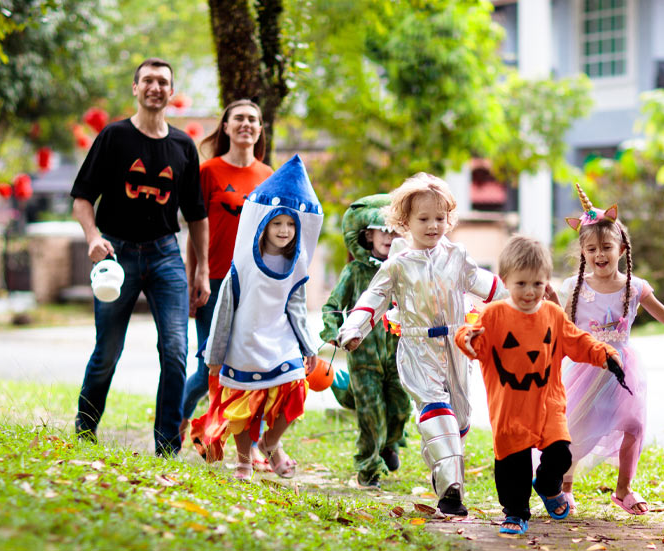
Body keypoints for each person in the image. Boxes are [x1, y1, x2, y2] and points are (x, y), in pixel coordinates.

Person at [338, 173, 507, 517]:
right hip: (416, 348)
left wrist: (523, 296)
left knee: (459, 419)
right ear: (404, 221)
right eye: (424, 218)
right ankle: (451, 492)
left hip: (458, 346)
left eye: (440, 218)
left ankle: (443, 465)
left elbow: (487, 285)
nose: (433, 225)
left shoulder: (458, 256)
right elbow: (375, 298)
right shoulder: (397, 265)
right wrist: (354, 329)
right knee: (436, 410)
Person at [70, 58, 209, 457]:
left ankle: (167, 445)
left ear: (171, 91)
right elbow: (82, 199)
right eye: (148, 80)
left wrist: (200, 271)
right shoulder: (114, 137)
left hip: (166, 255)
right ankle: (85, 428)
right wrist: (93, 237)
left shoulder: (183, 146)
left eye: (163, 81)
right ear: (135, 88)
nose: (155, 87)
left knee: (175, 350)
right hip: (117, 252)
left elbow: (197, 215)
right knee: (108, 349)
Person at [455, 235, 627, 535]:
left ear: (546, 282)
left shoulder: (552, 315)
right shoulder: (494, 315)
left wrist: (606, 354)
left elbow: (577, 341)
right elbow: (472, 337)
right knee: (513, 466)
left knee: (560, 453)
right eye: (521, 284)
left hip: (548, 404)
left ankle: (548, 486)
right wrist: (466, 339)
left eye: (537, 284)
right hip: (510, 408)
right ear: (505, 280)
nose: (530, 292)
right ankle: (516, 512)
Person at [559, 183, 664, 515]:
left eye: (607, 247)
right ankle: (565, 488)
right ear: (583, 252)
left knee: (634, 425)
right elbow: (561, 326)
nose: (600, 255)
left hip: (623, 369)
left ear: (622, 248)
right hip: (586, 365)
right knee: (576, 428)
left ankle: (623, 489)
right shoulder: (574, 287)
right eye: (592, 248)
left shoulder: (636, 287)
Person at [189, 155, 322, 481]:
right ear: (263, 225)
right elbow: (224, 310)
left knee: (295, 389)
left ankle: (270, 443)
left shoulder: (297, 267)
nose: (284, 230)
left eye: (291, 224)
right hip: (244, 341)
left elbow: (297, 309)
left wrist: (308, 346)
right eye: (277, 223)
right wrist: (215, 354)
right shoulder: (244, 264)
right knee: (244, 403)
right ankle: (243, 461)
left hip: (281, 340)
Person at [180, 99, 273, 471]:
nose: (246, 124)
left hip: (254, 283)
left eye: (253, 119)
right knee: (209, 362)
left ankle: (247, 448)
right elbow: (194, 230)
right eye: (239, 119)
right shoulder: (208, 172)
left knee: (255, 364)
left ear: (260, 128)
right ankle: (177, 423)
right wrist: (194, 277)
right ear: (226, 127)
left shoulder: (269, 175)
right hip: (215, 277)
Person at [320, 194, 411, 489]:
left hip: (399, 357)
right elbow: (332, 306)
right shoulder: (355, 272)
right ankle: (368, 468)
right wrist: (332, 331)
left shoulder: (404, 270)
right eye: (381, 230)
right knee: (370, 414)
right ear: (366, 235)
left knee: (400, 408)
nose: (388, 236)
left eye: (394, 231)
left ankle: (390, 443)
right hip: (363, 359)